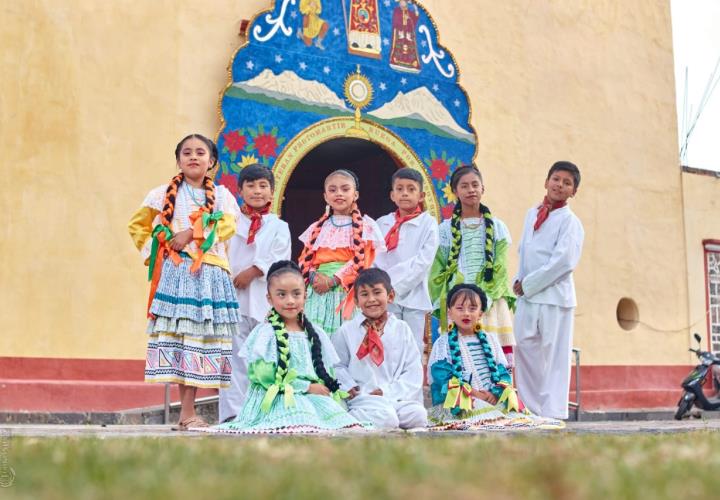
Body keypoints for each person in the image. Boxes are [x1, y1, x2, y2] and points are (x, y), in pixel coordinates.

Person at [128, 134, 240, 430]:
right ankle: (187, 413)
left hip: (210, 274)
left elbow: (227, 225)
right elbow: (137, 225)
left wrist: (190, 234)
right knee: (183, 339)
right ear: (178, 160)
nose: (193, 157)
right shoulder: (161, 194)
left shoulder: (224, 196)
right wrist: (158, 250)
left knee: (203, 341)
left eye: (200, 152)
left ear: (212, 161)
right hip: (178, 274)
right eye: (186, 152)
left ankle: (187, 413)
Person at [212, 261, 364, 434]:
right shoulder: (266, 333)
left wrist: (321, 387)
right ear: (269, 298)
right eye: (282, 295)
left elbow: (326, 369)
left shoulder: (316, 333)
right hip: (280, 396)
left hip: (312, 395)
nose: (290, 301)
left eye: (296, 294)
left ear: (305, 296)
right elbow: (263, 375)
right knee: (302, 418)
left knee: (342, 419)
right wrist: (305, 387)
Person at [427, 284, 560, 430]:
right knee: (475, 409)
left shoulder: (491, 340)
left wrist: (495, 393)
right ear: (449, 313)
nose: (466, 313)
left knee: (510, 408)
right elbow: (442, 378)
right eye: (460, 308)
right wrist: (474, 394)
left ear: (480, 314)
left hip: (492, 398)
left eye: (472, 309)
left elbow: (503, 372)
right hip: (461, 403)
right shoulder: (442, 343)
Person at [218, 164, 291, 423]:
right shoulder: (231, 222)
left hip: (263, 300)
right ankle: (232, 414)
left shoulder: (279, 226)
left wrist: (254, 270)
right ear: (240, 190)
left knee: (264, 357)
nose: (257, 191)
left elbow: (280, 258)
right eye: (250, 186)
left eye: (263, 186)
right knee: (234, 356)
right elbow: (221, 251)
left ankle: (264, 413)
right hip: (233, 299)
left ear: (272, 191)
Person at [513, 161, 584, 420]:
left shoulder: (571, 222)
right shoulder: (532, 213)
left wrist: (528, 284)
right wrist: (517, 280)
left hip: (555, 298)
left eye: (567, 183)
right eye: (556, 179)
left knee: (555, 356)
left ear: (573, 191)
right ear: (546, 181)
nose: (560, 185)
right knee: (525, 348)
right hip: (527, 297)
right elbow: (525, 251)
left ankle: (553, 413)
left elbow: (563, 263)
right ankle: (531, 409)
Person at [429, 165, 516, 365]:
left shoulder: (498, 227)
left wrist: (484, 296)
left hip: (491, 302)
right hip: (457, 304)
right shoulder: (444, 230)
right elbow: (437, 271)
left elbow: (501, 267)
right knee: (457, 358)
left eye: (475, 185)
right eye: (464, 186)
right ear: (455, 192)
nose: (471, 190)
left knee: (494, 360)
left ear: (483, 189)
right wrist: (448, 300)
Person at [332, 268, 427, 430]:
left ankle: (377, 420)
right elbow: (336, 365)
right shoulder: (347, 330)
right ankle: (349, 416)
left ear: (390, 296)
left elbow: (412, 369)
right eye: (364, 294)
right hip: (364, 397)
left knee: (418, 414)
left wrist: (386, 392)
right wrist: (348, 385)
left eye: (377, 292)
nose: (371, 299)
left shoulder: (402, 329)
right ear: (355, 300)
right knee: (388, 418)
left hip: (393, 396)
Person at [298, 169, 385, 335]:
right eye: (332, 190)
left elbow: (362, 260)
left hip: (345, 291)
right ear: (325, 196)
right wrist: (314, 276)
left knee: (344, 338)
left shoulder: (365, 226)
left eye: (345, 189)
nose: (339, 194)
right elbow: (304, 259)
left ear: (356, 194)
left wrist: (334, 280)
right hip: (317, 290)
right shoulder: (317, 227)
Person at [374, 168, 438, 354]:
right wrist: (383, 288)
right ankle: (388, 383)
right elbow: (375, 259)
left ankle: (413, 384)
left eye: (411, 189)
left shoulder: (428, 223)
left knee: (412, 345)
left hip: (414, 294)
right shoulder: (382, 223)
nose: (405, 193)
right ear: (392, 195)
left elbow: (423, 262)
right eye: (400, 189)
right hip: (386, 294)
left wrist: (398, 287)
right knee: (387, 341)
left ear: (421, 196)